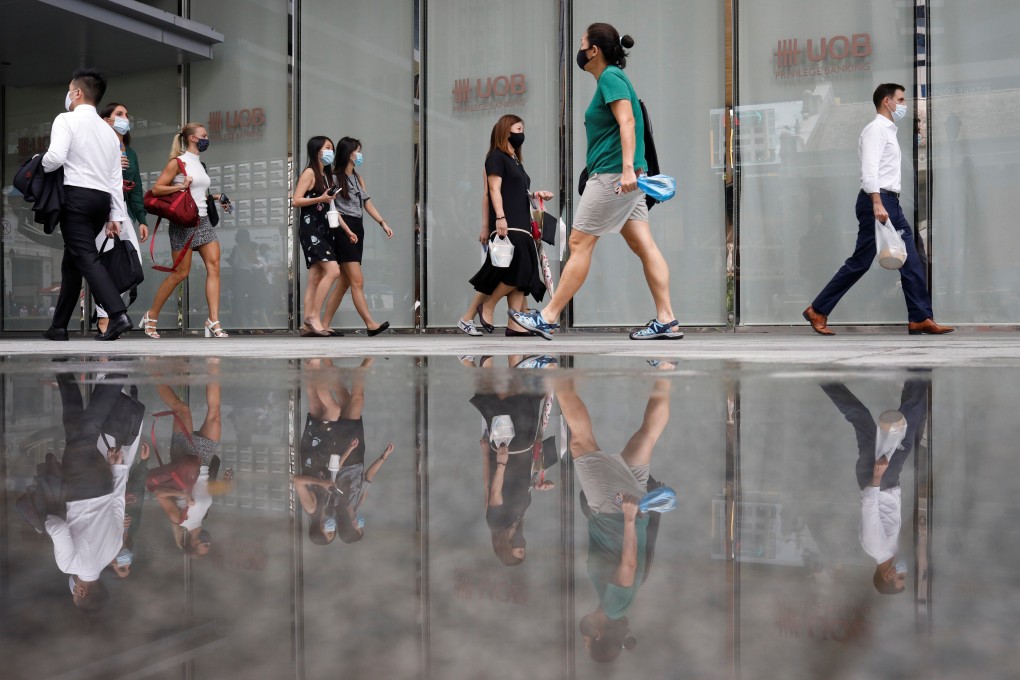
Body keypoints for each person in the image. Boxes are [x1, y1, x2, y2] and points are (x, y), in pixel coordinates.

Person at [511, 24, 682, 341]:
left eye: (582, 43)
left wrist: (627, 170)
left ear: (594, 50)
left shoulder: (610, 78)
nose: (579, 50)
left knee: (579, 244)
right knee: (644, 246)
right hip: (625, 177)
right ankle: (667, 320)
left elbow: (627, 121)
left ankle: (548, 317)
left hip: (614, 177)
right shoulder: (613, 78)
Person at [804, 83, 954, 336]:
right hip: (878, 200)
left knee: (912, 257)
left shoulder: (888, 131)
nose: (904, 104)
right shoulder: (875, 130)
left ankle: (920, 317)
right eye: (901, 99)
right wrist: (876, 202)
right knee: (861, 262)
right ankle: (817, 309)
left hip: (890, 202)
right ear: (887, 101)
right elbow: (869, 169)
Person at [555, 372, 672, 662]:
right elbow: (629, 563)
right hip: (615, 510)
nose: (583, 637)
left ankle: (666, 368)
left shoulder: (618, 606)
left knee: (647, 436)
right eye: (585, 642)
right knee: (580, 442)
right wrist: (629, 518)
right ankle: (552, 372)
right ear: (597, 636)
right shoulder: (613, 607)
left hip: (629, 509)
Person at [15, 372, 132, 611]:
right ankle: (117, 375)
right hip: (79, 488)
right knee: (87, 429)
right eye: (75, 596)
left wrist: (118, 469)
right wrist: (41, 525)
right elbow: (58, 528)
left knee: (74, 428)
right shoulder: (69, 565)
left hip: (103, 483)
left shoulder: (112, 551)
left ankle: (64, 369)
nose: (74, 592)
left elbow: (118, 507)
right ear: (81, 591)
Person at [41, 68, 134, 342]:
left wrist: (37, 163)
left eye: (70, 90)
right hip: (101, 201)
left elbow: (55, 158)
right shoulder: (108, 132)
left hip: (76, 198)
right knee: (73, 262)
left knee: (85, 257)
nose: (68, 94)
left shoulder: (66, 119)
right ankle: (59, 327)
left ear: (77, 93)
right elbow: (115, 178)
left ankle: (117, 315)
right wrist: (115, 215)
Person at [820, 378, 930, 595]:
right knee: (860, 417)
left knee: (908, 426)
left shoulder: (876, 548)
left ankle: (919, 372)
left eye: (900, 577)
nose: (903, 573)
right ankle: (825, 379)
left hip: (881, 479)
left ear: (887, 576)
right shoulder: (888, 550)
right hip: (882, 480)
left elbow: (869, 510)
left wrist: (877, 476)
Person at [462, 116, 553, 337]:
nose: (522, 133)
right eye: (519, 129)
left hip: (522, 221)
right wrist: (497, 219)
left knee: (519, 273)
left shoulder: (517, 162)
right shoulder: (496, 157)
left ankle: (515, 324)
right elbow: (493, 191)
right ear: (506, 131)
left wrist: (536, 194)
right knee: (519, 269)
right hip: (508, 221)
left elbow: (517, 192)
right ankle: (489, 305)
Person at [138, 122, 231, 339]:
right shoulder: (178, 162)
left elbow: (198, 194)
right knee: (180, 273)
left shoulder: (200, 164)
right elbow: (156, 189)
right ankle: (151, 315)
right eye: (204, 135)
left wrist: (218, 197)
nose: (207, 139)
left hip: (203, 220)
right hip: (183, 222)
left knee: (215, 267)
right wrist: (181, 185)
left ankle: (213, 320)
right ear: (192, 138)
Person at [151, 372, 231, 557]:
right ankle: (213, 363)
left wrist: (182, 496)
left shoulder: (180, 519)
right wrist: (222, 483)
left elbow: (159, 493)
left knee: (182, 410)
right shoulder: (204, 515)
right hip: (204, 461)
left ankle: (153, 370)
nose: (208, 541)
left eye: (205, 545)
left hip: (184, 459)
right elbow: (203, 487)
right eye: (209, 544)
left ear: (194, 543)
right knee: (215, 415)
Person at [321, 137, 392, 336]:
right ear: (348, 153)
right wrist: (346, 230)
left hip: (357, 227)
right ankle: (370, 324)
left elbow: (367, 203)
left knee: (344, 283)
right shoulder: (334, 178)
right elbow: (332, 208)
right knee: (357, 280)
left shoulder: (357, 178)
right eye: (357, 151)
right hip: (343, 229)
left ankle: (324, 324)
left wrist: (382, 222)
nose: (360, 155)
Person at [95, 102, 149, 335]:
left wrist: (142, 218)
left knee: (130, 263)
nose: (125, 118)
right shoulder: (98, 146)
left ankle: (111, 310)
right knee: (106, 264)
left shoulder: (131, 152)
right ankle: (104, 317)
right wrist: (113, 166)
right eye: (119, 114)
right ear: (106, 120)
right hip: (101, 210)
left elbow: (137, 188)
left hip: (123, 211)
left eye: (126, 114)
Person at [291, 136, 342, 336]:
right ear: (317, 150)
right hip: (311, 228)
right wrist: (321, 197)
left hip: (324, 228)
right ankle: (313, 317)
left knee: (314, 278)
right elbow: (296, 200)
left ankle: (307, 325)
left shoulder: (326, 175)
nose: (331, 151)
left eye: (332, 148)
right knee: (333, 271)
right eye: (327, 147)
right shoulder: (310, 172)